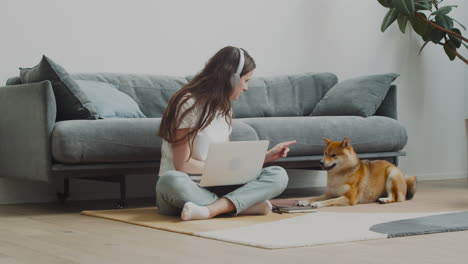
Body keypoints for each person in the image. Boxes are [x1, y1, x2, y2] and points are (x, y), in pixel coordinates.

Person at [156, 46, 296, 221]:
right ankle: (241, 205)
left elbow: (227, 160)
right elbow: (183, 165)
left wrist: (266, 157)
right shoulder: (188, 103)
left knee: (278, 174)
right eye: (246, 80)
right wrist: (219, 168)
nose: (246, 88)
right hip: (187, 189)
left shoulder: (224, 108)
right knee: (171, 181)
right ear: (232, 78)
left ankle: (210, 210)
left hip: (217, 186)